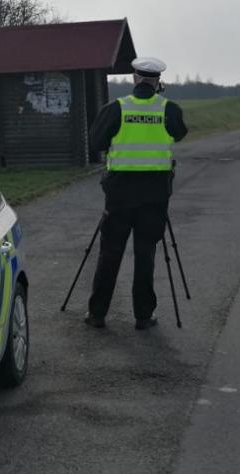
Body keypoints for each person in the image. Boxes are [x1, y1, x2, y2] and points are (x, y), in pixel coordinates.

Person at [85, 57, 189, 331]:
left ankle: (97, 313)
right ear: (157, 81)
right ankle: (143, 315)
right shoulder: (169, 110)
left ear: (134, 78)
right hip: (154, 197)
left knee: (110, 253)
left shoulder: (116, 109)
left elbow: (95, 141)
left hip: (119, 196)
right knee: (146, 255)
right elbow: (179, 134)